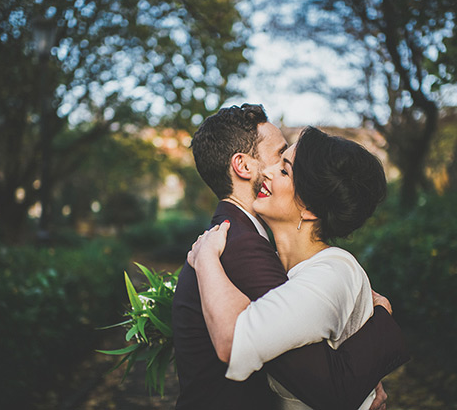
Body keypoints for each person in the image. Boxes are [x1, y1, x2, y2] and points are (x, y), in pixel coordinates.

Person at [171, 104, 409, 410]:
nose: (273, 171)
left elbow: (316, 362)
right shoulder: (240, 246)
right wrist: (379, 328)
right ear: (243, 166)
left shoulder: (237, 243)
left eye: (285, 167)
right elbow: (327, 381)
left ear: (310, 207)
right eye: (280, 156)